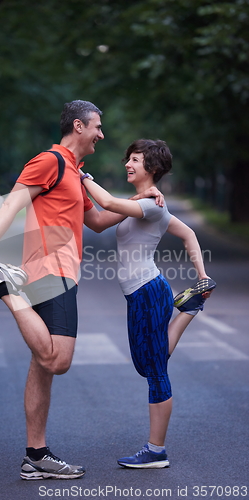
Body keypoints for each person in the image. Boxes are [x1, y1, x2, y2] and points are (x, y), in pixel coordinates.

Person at [0, 101, 163, 479]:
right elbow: (11, 204)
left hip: (62, 272)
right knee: (59, 360)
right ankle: (4, 285)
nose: (102, 135)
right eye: (98, 127)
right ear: (79, 125)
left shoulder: (73, 171)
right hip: (48, 270)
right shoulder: (50, 162)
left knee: (43, 364)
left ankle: (36, 455)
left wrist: (136, 202)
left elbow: (100, 220)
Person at [79, 138, 216, 469]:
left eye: (135, 160)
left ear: (152, 169)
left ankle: (156, 450)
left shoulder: (152, 206)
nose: (128, 164)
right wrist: (202, 276)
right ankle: (188, 309)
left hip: (149, 291)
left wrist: (81, 176)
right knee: (145, 363)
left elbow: (109, 203)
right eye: (128, 158)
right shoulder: (143, 202)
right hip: (137, 294)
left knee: (155, 370)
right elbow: (96, 221)